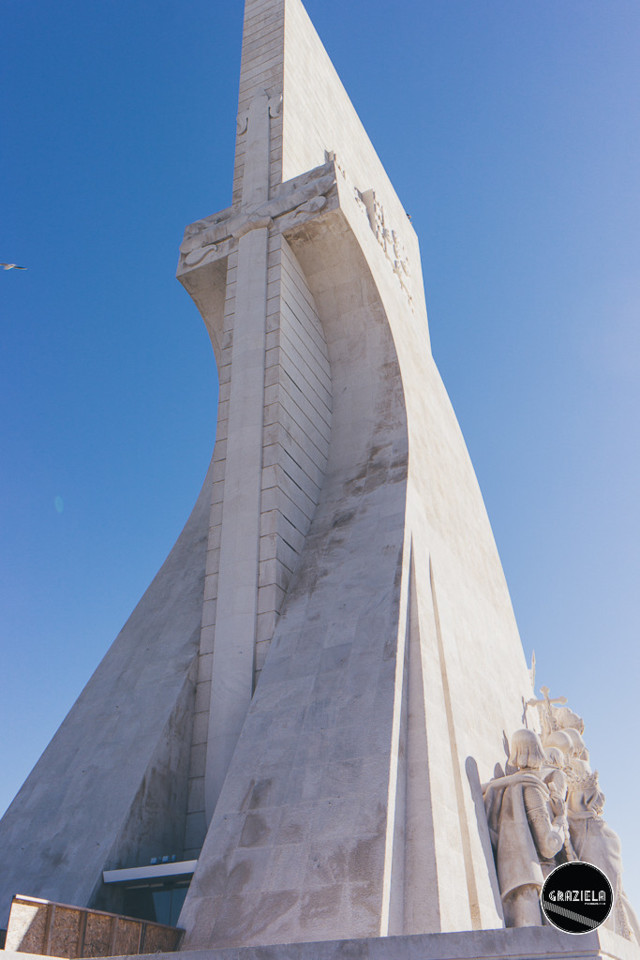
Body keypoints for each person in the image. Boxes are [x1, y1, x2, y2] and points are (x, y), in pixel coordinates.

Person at [484, 730, 566, 926]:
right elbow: (548, 845)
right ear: (538, 750)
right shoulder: (533, 788)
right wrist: (561, 817)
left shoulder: (504, 786)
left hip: (512, 875)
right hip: (539, 878)